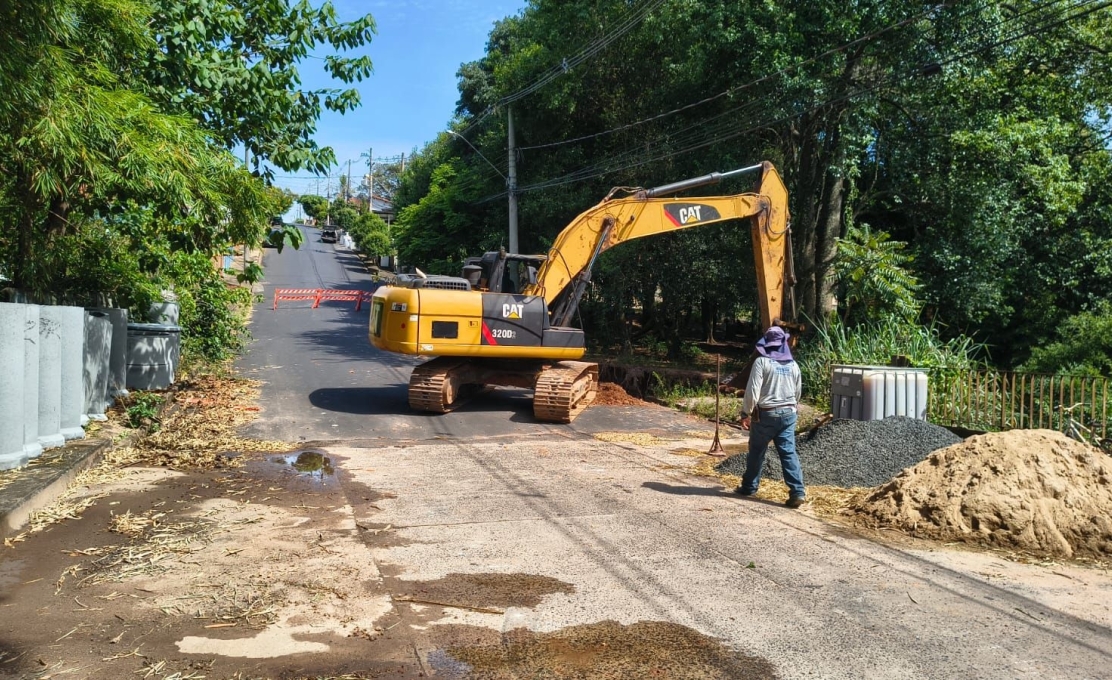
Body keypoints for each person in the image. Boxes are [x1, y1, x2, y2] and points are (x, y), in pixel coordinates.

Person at [736, 326, 806, 508]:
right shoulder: (793, 365)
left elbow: (752, 391)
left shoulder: (762, 362)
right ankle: (797, 492)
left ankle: (749, 487)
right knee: (788, 452)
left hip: (767, 414)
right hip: (789, 413)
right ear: (784, 342)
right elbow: (798, 392)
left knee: (757, 450)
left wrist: (746, 413)